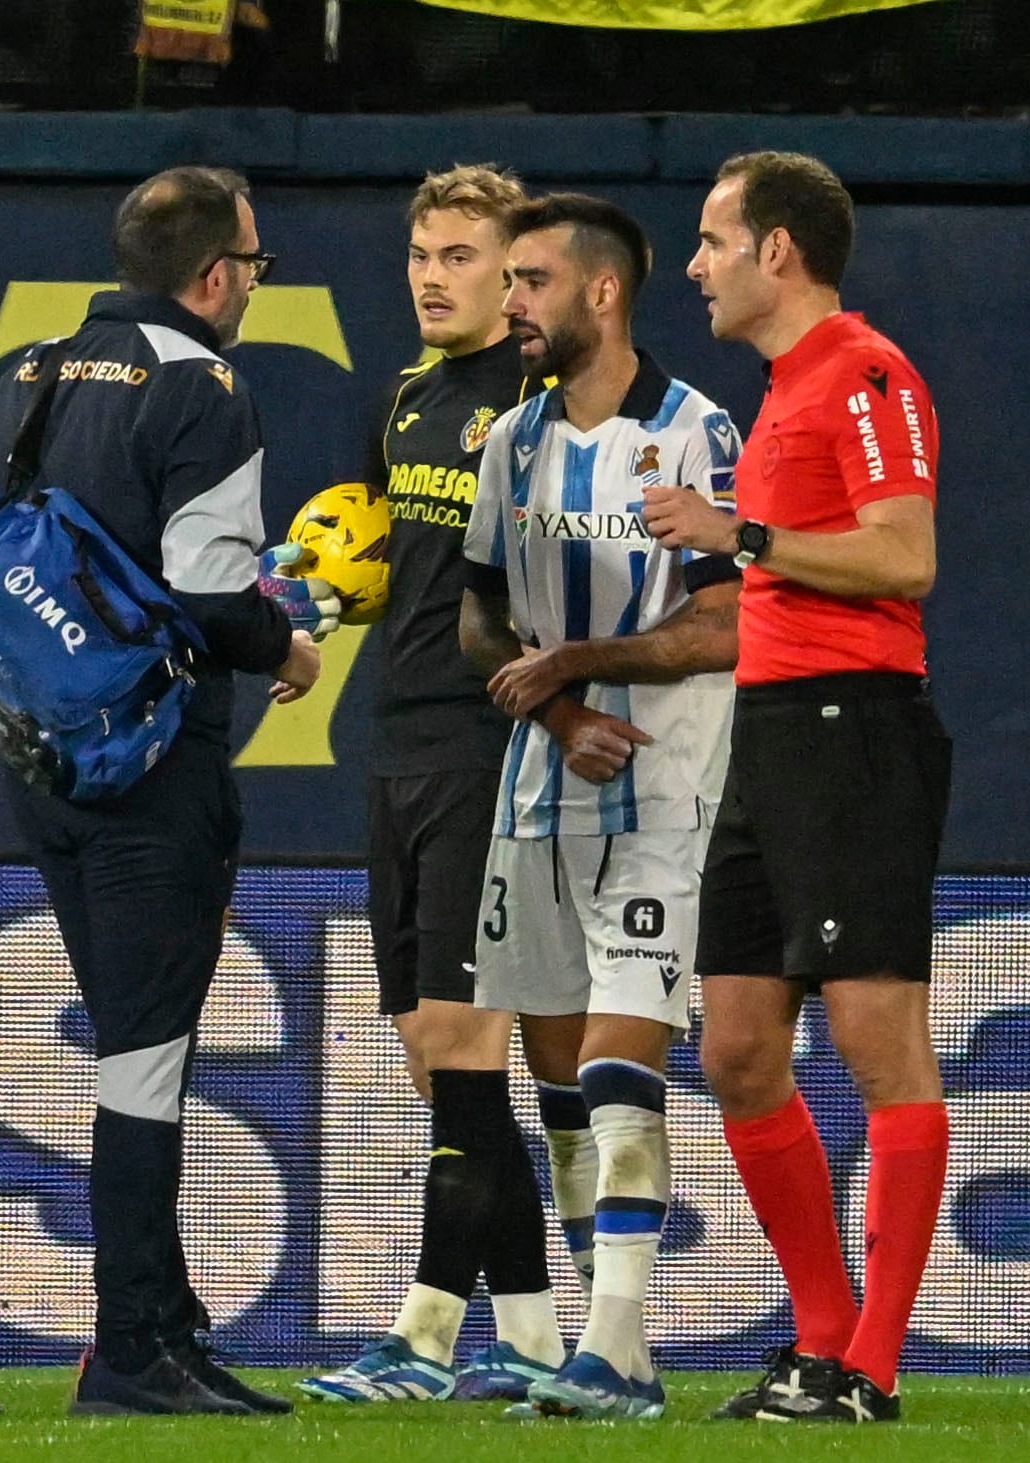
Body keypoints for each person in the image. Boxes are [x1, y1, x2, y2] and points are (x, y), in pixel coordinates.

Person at [0, 166, 323, 1417]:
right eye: (254, 268)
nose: (252, 290)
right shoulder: (206, 387)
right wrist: (287, 643)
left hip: (40, 765)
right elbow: (212, 597)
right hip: (151, 765)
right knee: (146, 1054)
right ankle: (128, 1350)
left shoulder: (21, 373)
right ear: (214, 277)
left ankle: (160, 1322)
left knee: (132, 1041)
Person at [643, 150, 950, 1425]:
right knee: (736, 1045)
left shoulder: (864, 371)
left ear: (779, 251)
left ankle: (868, 1367)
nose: (696, 264)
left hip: (852, 729)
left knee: (879, 1041)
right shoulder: (781, 390)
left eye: (714, 240)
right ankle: (815, 1342)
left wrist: (741, 537)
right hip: (769, 734)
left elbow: (906, 556)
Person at [297, 165, 583, 1408]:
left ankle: (420, 1334)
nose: (430, 275)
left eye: (460, 255)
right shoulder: (406, 400)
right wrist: (313, 598)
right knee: (434, 1055)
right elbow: (397, 571)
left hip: (491, 749)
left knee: (467, 1048)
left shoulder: (549, 403)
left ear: (516, 271)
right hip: (398, 743)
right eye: (420, 252)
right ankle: (524, 1331)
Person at [457, 193, 743, 1421]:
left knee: (626, 1068)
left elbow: (730, 620)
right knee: (562, 1084)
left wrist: (576, 665)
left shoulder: (695, 432)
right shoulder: (509, 442)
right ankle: (602, 1345)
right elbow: (480, 615)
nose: (508, 301)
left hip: (665, 795)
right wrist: (560, 715)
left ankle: (614, 1339)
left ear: (603, 292)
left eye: (528, 280)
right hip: (537, 801)